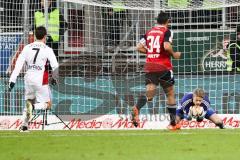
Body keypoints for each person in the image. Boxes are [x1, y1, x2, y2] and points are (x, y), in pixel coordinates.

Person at [131, 12, 181, 130]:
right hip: (163, 67)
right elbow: (167, 46)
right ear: (167, 21)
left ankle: (137, 108)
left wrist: (151, 53)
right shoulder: (167, 31)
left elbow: (138, 47)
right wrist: (174, 55)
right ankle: (173, 124)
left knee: (149, 94)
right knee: (170, 94)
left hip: (150, 67)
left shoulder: (149, 32)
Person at [8, 26, 59, 132]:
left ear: (35, 36)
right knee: (48, 105)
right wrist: (54, 78)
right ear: (45, 36)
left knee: (29, 100)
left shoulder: (27, 47)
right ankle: (34, 107)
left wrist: (12, 80)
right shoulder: (47, 49)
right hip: (41, 78)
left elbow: (18, 65)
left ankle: (24, 126)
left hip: (28, 78)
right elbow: (55, 66)